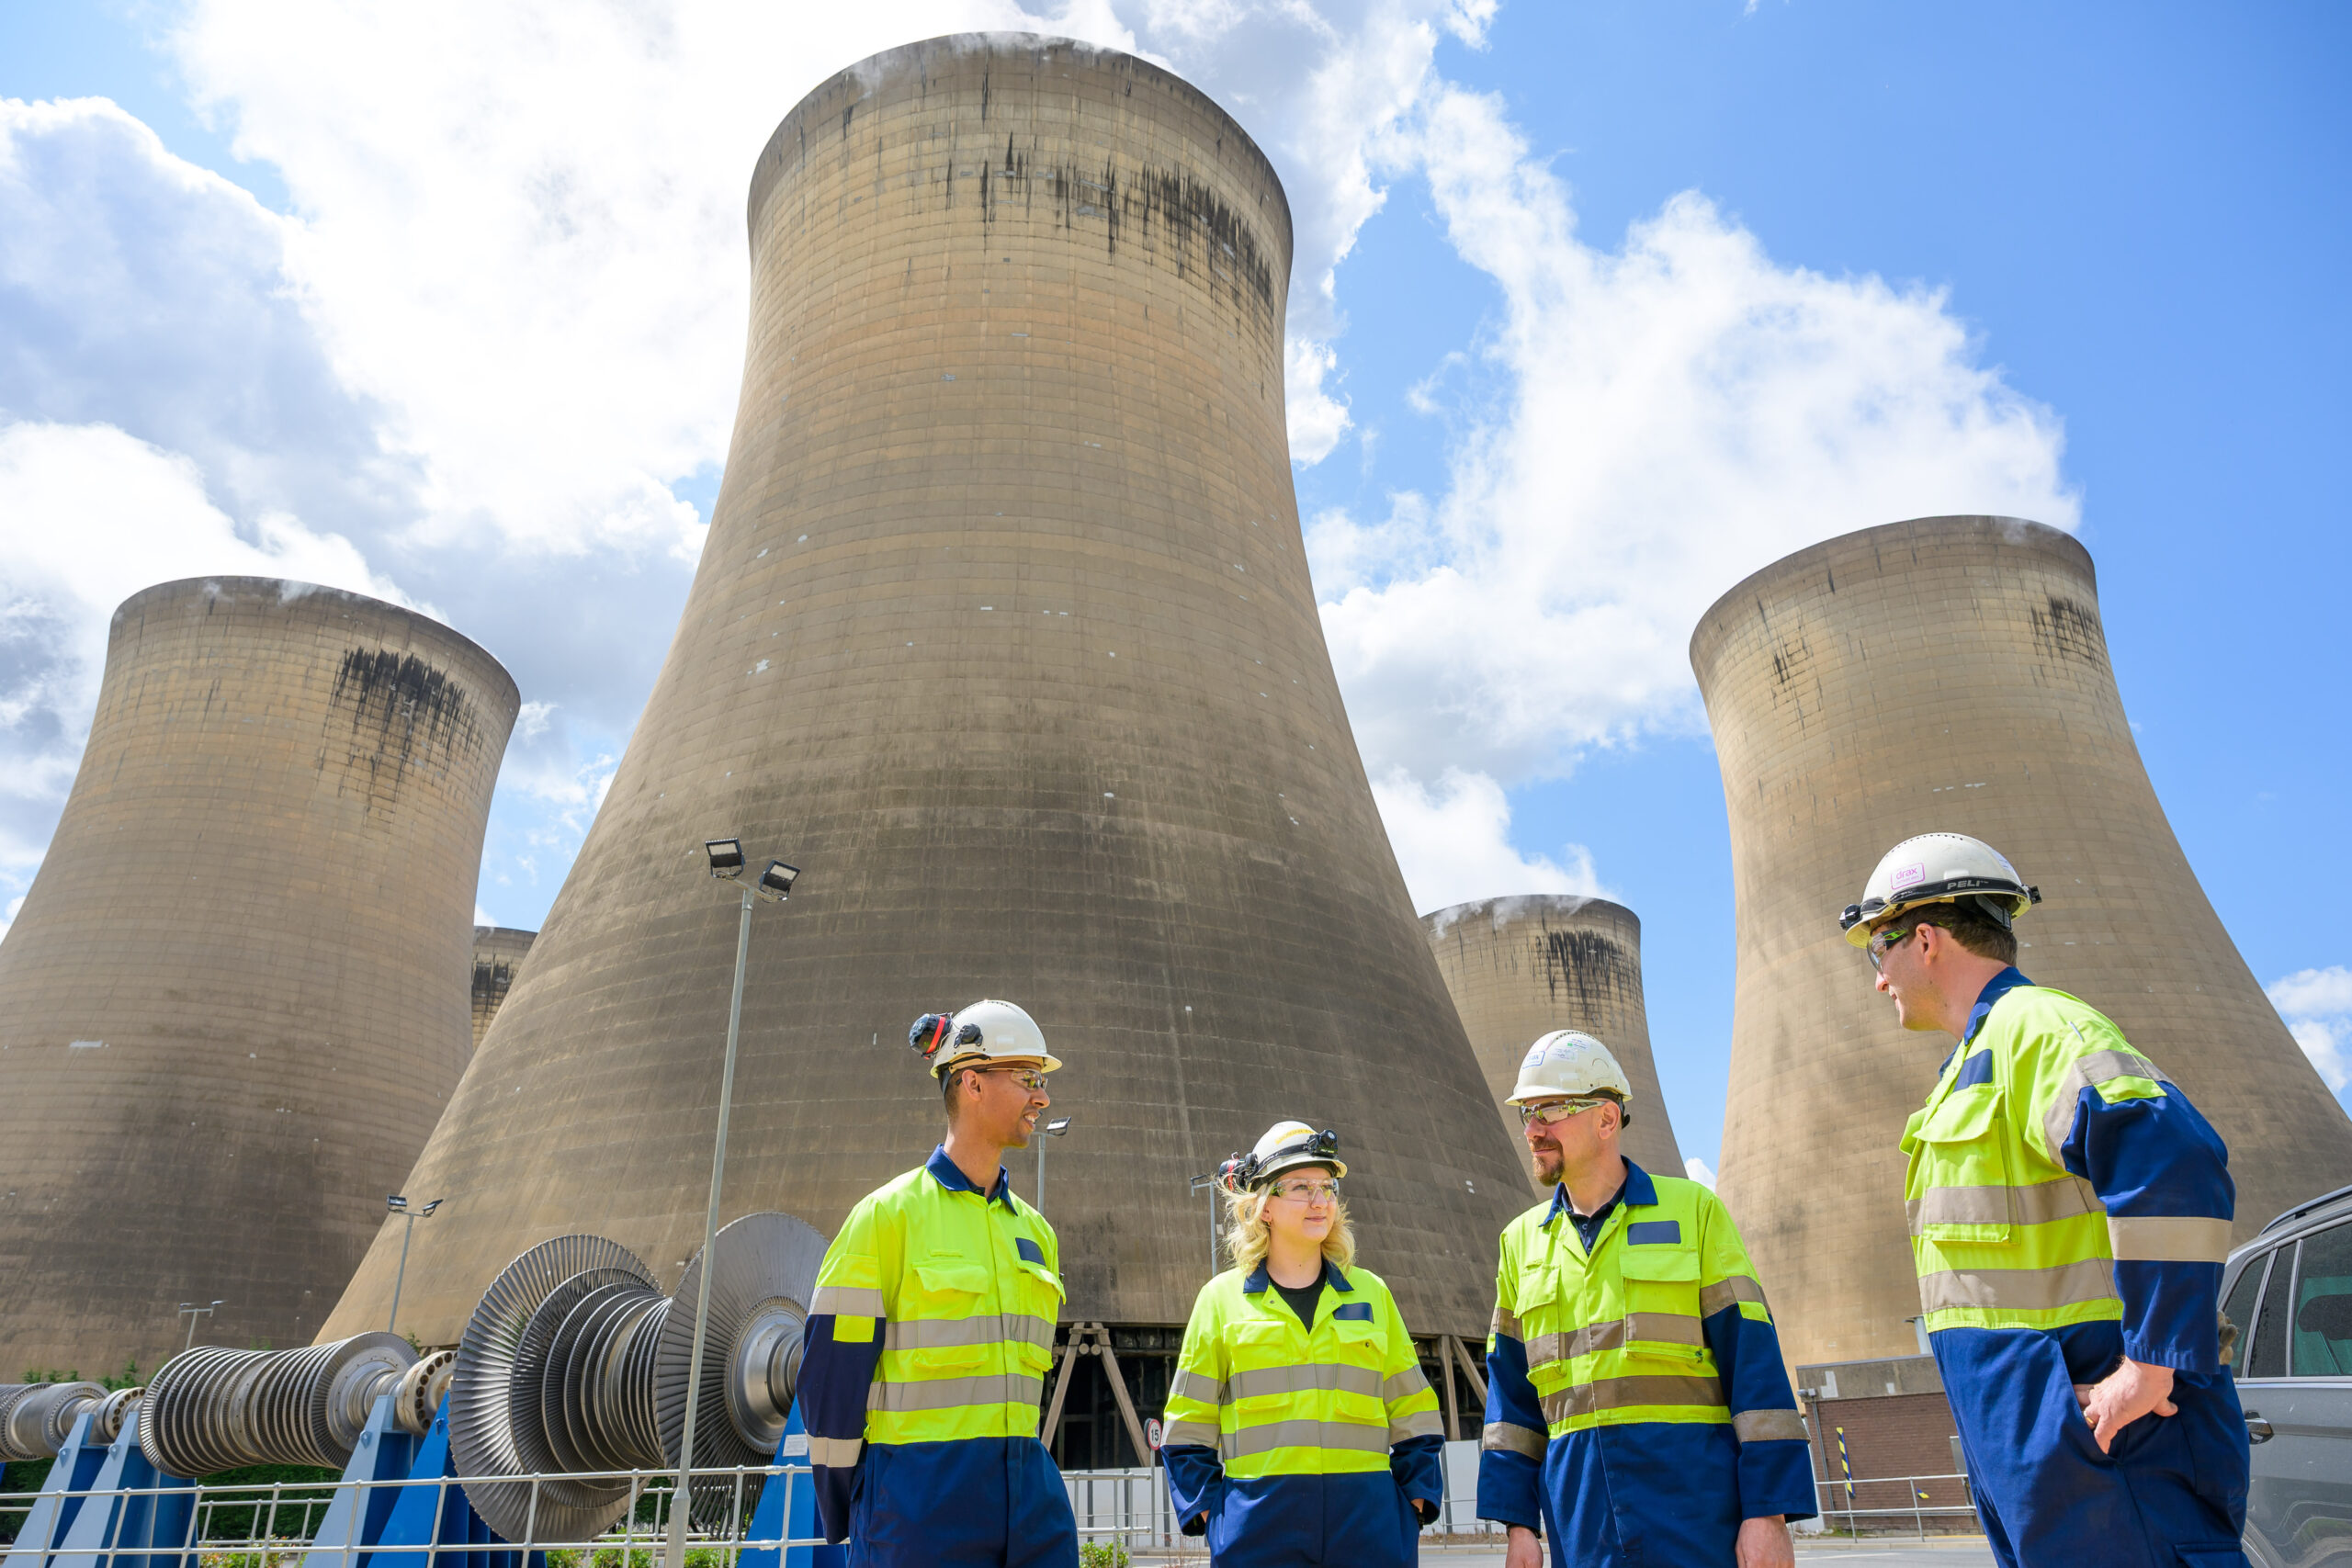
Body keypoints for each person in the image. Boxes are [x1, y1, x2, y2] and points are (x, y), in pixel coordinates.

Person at [1841, 832, 2249, 1568]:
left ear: (1925, 937)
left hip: (2108, 1444)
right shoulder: (1970, 1065)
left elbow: (2176, 1160)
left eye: (1880, 950)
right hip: (2037, 1443)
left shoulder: (2040, 1031)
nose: (1879, 980)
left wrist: (2152, 1363)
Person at [1478, 1031, 1813, 1568]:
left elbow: (1755, 1368)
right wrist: (1518, 1524)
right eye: (1527, 1114)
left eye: (1549, 1111)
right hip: (1579, 1518)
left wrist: (1768, 1514)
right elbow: (1510, 1401)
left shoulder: (1693, 1213)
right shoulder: (1520, 1243)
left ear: (1606, 1119)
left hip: (1695, 1514)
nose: (1533, 1130)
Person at [793, 998, 1080, 1568]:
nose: (1042, 1098)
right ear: (972, 1083)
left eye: (1041, 1081)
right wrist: (855, 1505)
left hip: (1032, 1509)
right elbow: (831, 1383)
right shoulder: (885, 1220)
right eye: (1027, 1078)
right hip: (918, 1511)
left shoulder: (1036, 1232)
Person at [1160, 1121, 1445, 1565]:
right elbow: (1187, 1425)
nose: (1319, 1201)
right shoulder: (1220, 1301)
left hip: (1369, 1527)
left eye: (1327, 1187)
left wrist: (1413, 1505)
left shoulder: (1372, 1294)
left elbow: (1415, 1411)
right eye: (1300, 1187)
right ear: (1264, 1207)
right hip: (1259, 1527)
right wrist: (1214, 1517)